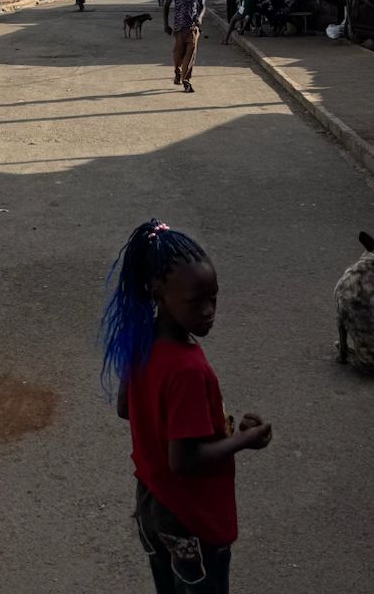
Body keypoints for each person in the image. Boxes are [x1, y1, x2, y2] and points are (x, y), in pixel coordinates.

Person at [102, 217, 272, 593]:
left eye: (214, 298)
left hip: (152, 505)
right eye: (197, 302)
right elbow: (185, 460)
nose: (209, 311)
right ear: (159, 293)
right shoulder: (188, 370)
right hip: (189, 518)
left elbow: (125, 408)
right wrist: (246, 440)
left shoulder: (141, 339)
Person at [164, 0, 204, 94]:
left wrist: (200, 17)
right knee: (178, 54)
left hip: (192, 27)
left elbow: (202, 5)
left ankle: (186, 81)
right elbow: (166, 5)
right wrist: (166, 24)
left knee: (190, 55)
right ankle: (177, 70)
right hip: (178, 27)